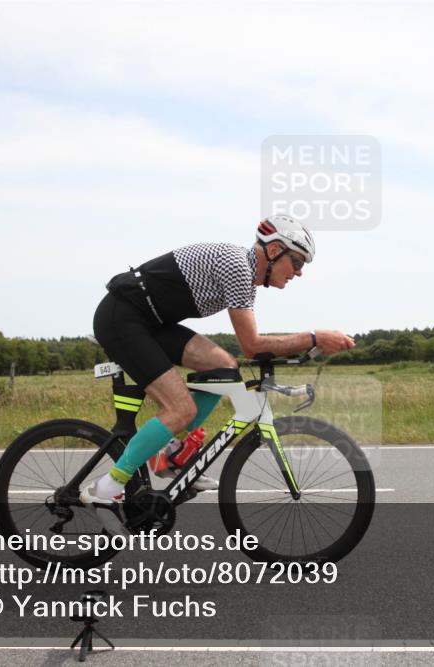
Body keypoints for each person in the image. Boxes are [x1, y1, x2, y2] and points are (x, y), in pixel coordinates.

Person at [82, 214, 355, 509]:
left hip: (149, 321)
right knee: (180, 408)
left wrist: (307, 346)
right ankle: (107, 487)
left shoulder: (246, 276)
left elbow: (250, 349)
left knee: (223, 367)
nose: (299, 273)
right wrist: (314, 337)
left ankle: (172, 454)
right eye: (298, 262)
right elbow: (252, 345)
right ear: (275, 251)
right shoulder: (237, 267)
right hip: (122, 318)